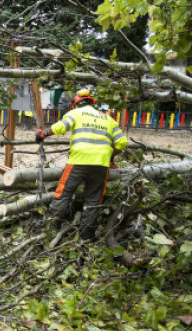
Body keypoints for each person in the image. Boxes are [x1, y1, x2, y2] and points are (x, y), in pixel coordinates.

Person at [35, 89, 128, 239]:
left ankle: (51, 229)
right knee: (93, 199)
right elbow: (122, 142)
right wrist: (110, 158)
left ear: (75, 104)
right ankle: (86, 235)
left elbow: (60, 127)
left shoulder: (76, 113)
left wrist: (43, 133)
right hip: (101, 164)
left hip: (79, 161)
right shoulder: (107, 119)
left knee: (63, 193)